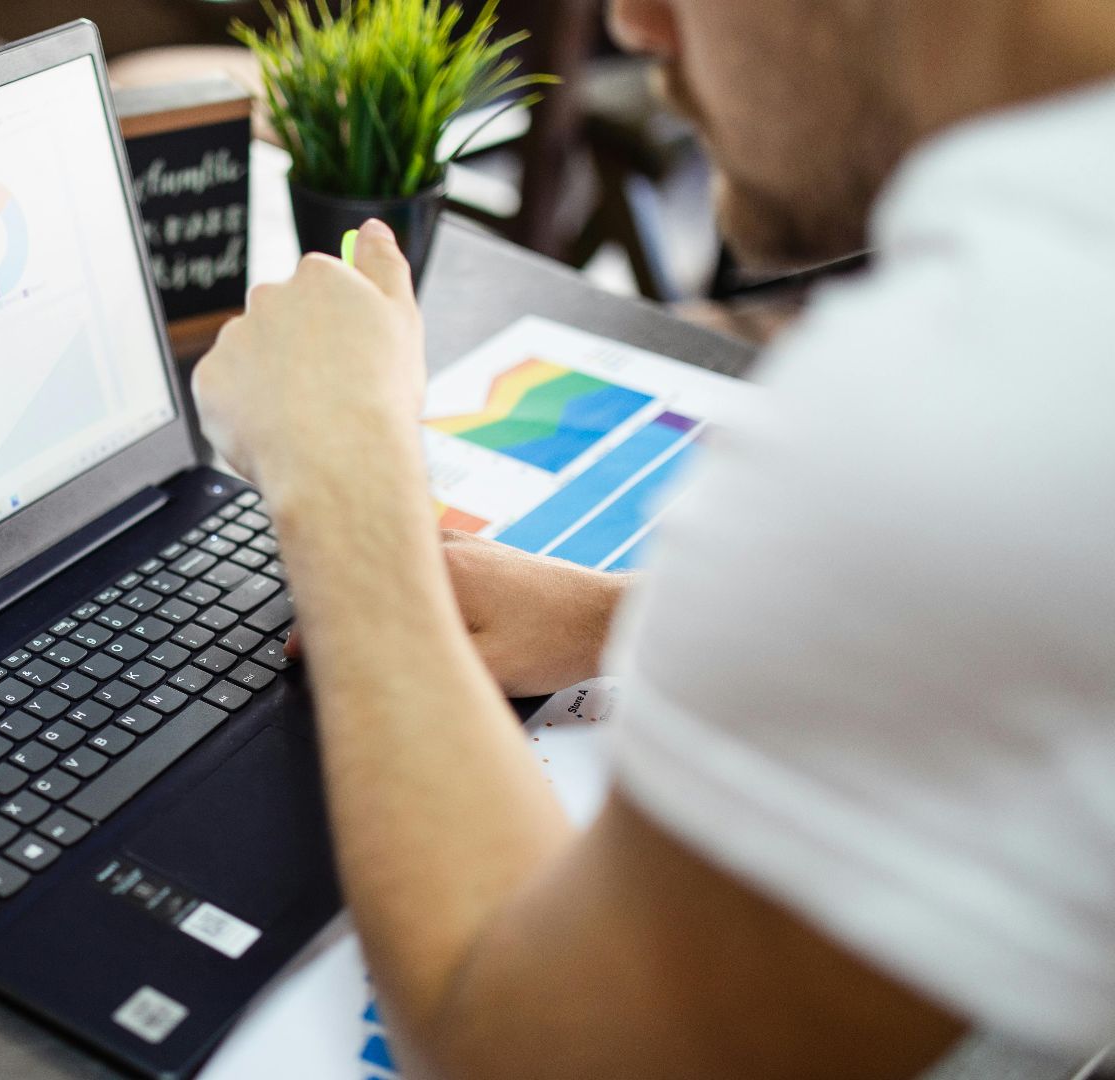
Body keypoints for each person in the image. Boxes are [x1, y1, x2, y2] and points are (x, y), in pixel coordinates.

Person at [188, 0, 1115, 1076]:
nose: (634, 23)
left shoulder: (980, 394)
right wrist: (610, 619)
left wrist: (345, 471)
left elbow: (536, 1043)